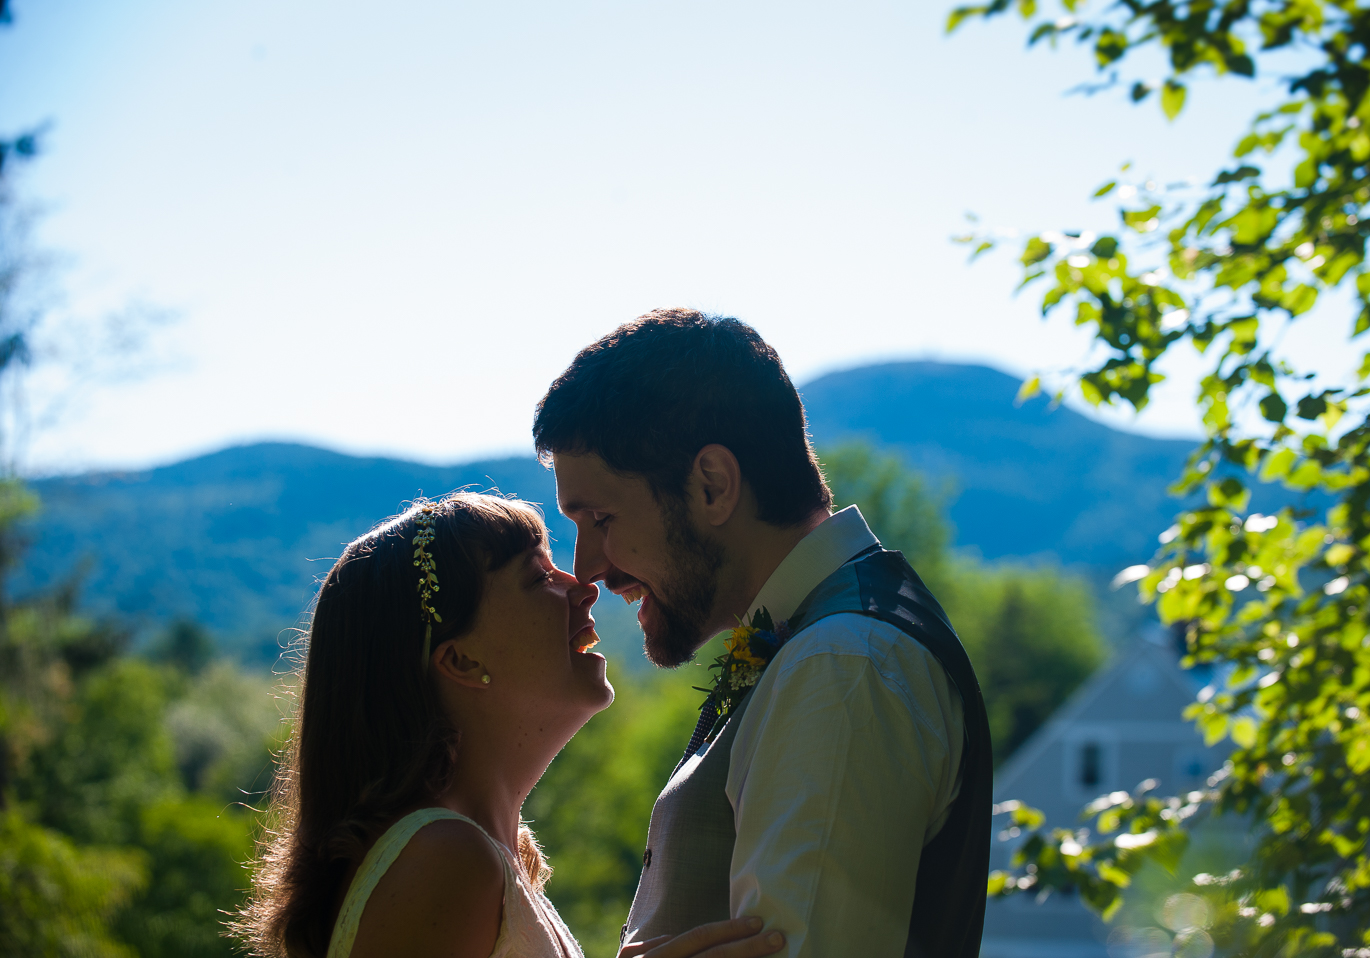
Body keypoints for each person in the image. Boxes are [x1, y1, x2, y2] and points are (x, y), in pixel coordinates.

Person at [533, 310, 994, 958]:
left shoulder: (842, 665)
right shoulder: (810, 641)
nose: (587, 568)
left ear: (713, 485)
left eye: (602, 517)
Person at [232, 491, 785, 958]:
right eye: (536, 576)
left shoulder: (482, 853)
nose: (583, 586)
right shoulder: (444, 858)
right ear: (462, 661)